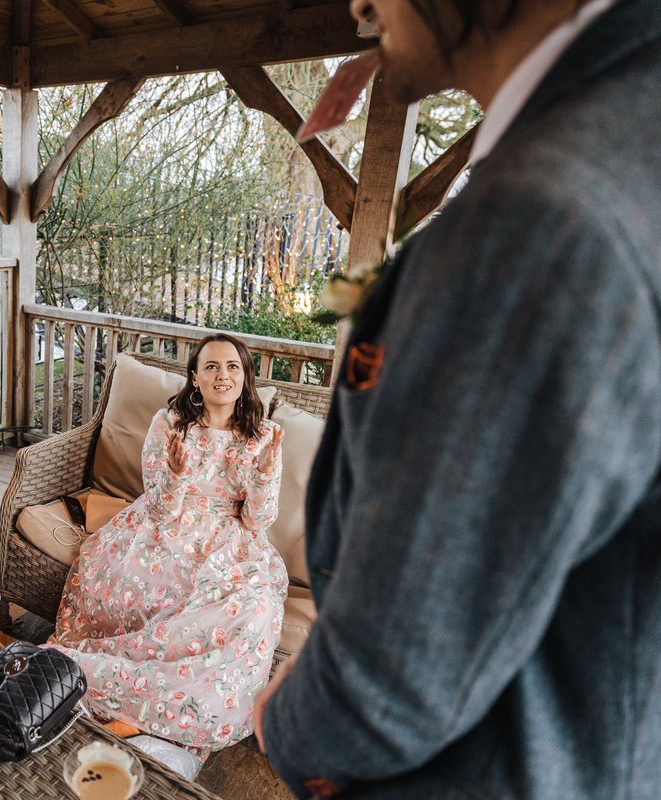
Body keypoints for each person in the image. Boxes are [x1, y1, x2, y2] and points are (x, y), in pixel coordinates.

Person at [255, 1, 661, 797]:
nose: (360, 6)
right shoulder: (631, 134)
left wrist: (288, 719)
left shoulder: (534, 221)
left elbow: (389, 681)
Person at [49, 333, 286, 758]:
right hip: (167, 530)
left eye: (233, 366)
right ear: (194, 377)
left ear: (246, 377)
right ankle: (141, 710)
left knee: (256, 610)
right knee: (161, 589)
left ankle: (177, 714)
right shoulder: (170, 423)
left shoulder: (264, 435)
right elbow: (159, 510)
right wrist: (176, 474)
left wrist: (264, 475)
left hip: (232, 541)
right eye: (211, 366)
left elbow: (257, 521)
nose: (222, 375)